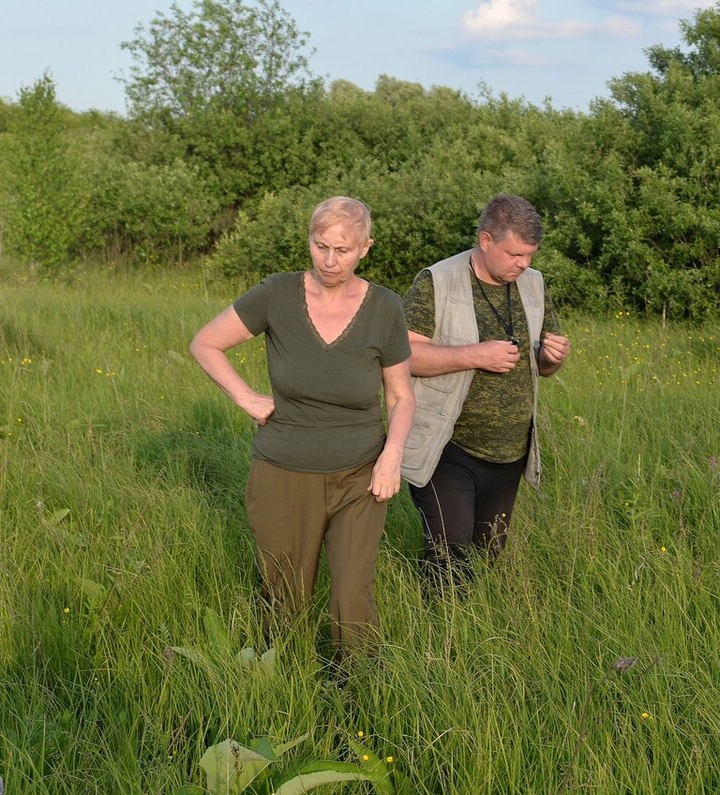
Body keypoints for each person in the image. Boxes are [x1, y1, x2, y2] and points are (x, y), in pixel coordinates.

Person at [190, 196, 414, 653]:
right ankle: (282, 684)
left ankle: (358, 694)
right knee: (284, 594)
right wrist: (246, 397)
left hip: (361, 473)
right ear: (309, 241)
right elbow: (206, 343)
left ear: (365, 248)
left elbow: (401, 395)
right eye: (320, 246)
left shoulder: (385, 307)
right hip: (284, 469)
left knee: (352, 596)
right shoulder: (277, 294)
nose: (330, 260)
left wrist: (392, 456)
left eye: (343, 250)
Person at [400, 195, 571, 584]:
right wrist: (475, 355)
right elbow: (405, 355)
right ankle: (438, 637)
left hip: (509, 452)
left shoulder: (533, 284)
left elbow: (543, 368)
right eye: (514, 254)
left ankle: (472, 631)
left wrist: (553, 358)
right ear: (486, 240)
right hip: (448, 446)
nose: (523, 264)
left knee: (487, 555)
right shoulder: (437, 281)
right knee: (449, 552)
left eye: (529, 255)